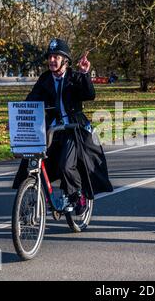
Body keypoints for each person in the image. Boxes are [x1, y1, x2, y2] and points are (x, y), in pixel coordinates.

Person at [12, 38, 113, 214]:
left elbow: (89, 95)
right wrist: (14, 120)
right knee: (34, 163)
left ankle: (77, 195)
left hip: (73, 128)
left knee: (66, 165)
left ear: (65, 60)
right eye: (50, 57)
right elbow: (31, 100)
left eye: (56, 57)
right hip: (51, 129)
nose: (52, 60)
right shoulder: (45, 78)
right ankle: (36, 195)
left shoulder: (74, 77)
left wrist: (84, 74)